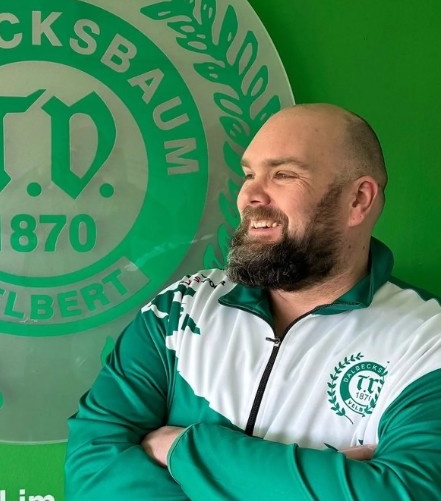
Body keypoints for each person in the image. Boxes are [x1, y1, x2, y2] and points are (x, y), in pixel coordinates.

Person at [65, 103, 441, 500]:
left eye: (283, 174)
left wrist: (181, 449)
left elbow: (406, 494)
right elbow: (91, 471)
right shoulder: (181, 307)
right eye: (249, 174)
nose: (249, 195)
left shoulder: (427, 340)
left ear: (358, 200)